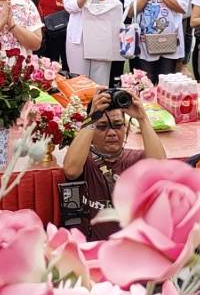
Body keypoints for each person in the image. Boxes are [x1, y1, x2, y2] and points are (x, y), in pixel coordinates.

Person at [62, 89, 167, 234]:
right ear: (91, 131)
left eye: (118, 125)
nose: (111, 132)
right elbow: (71, 170)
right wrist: (93, 118)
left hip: (130, 248)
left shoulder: (136, 160)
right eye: (102, 126)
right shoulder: (85, 161)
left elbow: (162, 170)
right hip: (93, 250)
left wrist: (142, 119)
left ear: (127, 128)